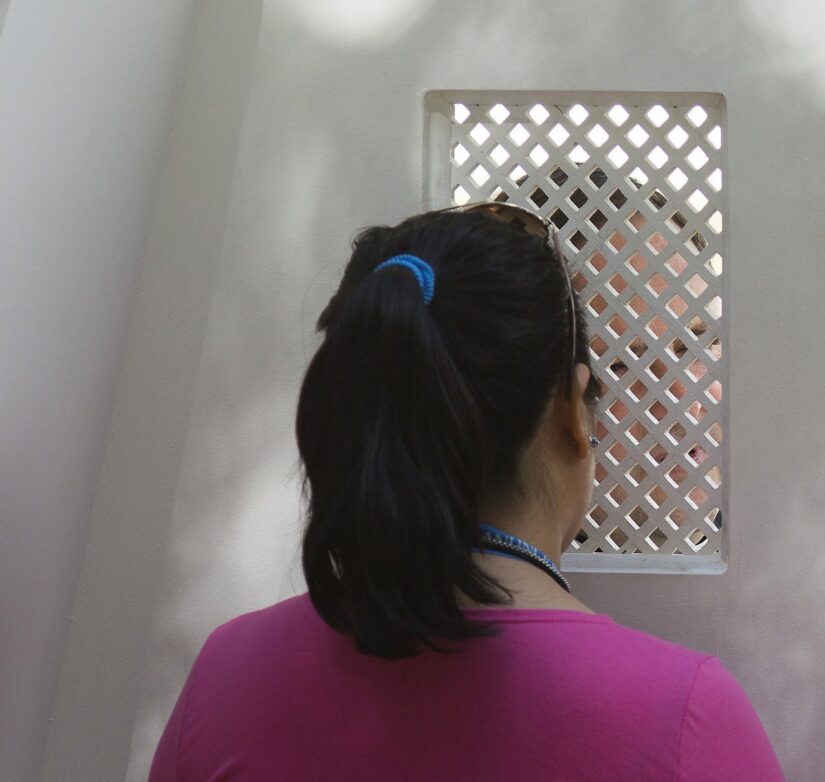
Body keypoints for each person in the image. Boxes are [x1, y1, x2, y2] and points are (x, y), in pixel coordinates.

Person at [148, 203, 785, 780]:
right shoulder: (687, 716)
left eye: (694, 349)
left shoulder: (228, 678)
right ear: (572, 408)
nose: (679, 398)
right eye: (633, 367)